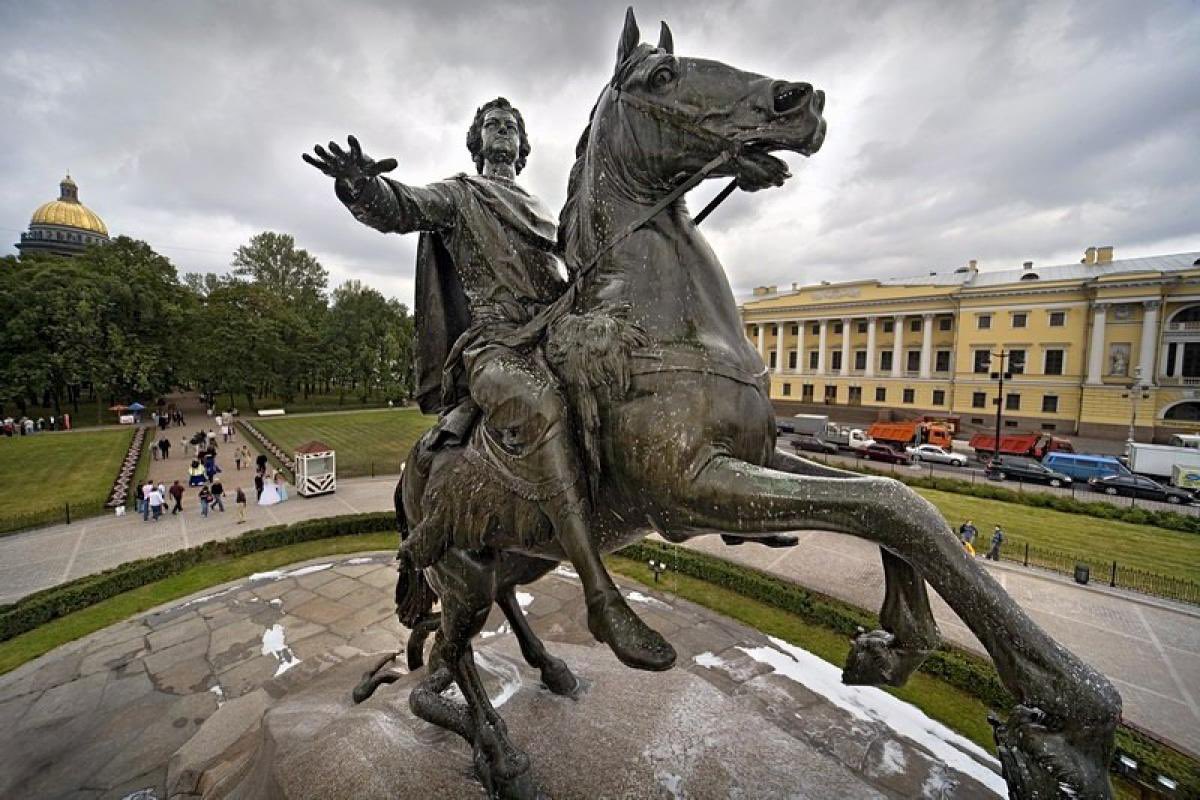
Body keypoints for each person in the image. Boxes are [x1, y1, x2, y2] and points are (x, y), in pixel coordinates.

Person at [304, 98, 672, 670]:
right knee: (537, 404)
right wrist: (359, 187)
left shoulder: (545, 209)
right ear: (478, 143)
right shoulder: (460, 193)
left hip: (553, 334)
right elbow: (401, 206)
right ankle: (601, 595)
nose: (502, 131)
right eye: (492, 126)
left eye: (512, 126)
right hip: (496, 345)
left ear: (523, 147)